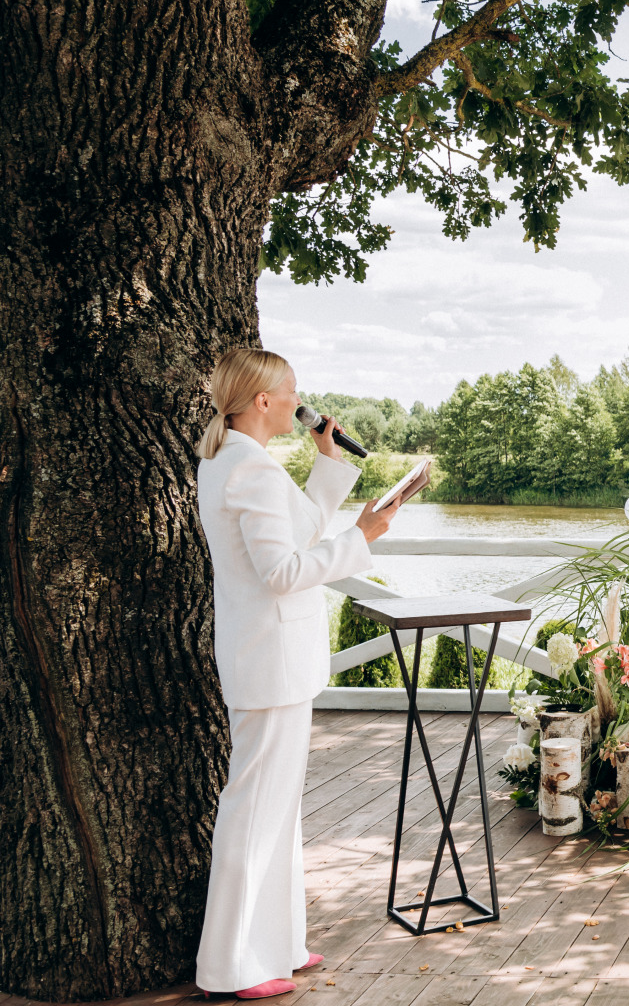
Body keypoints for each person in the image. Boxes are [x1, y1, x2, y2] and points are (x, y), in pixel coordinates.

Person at [192, 348, 398, 999]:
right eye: (291, 391)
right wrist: (362, 539)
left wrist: (328, 459)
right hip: (267, 660)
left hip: (271, 660)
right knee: (253, 814)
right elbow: (282, 573)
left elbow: (299, 530)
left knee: (276, 815)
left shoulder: (236, 460)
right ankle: (230, 967)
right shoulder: (247, 470)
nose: (297, 399)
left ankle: (275, 944)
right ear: (263, 401)